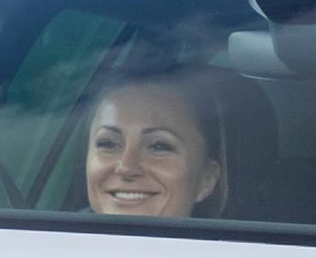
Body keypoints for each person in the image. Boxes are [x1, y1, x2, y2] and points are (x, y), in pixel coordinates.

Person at [82, 68, 231, 221]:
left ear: (206, 179)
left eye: (159, 146)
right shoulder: (58, 239)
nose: (126, 168)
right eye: (108, 144)